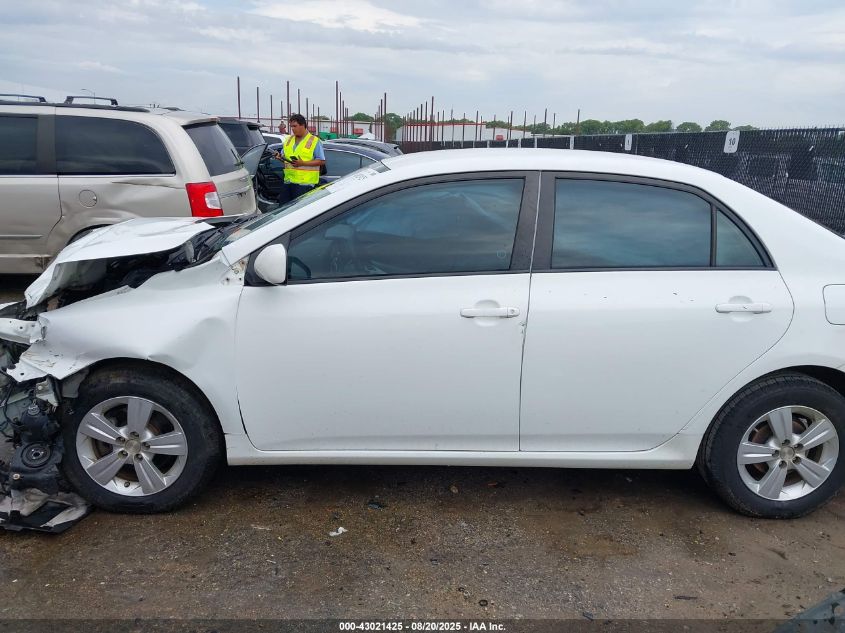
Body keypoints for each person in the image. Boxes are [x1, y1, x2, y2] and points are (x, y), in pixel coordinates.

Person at [274, 114, 325, 204]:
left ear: (303, 125)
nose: (293, 129)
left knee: (300, 214)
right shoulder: (288, 140)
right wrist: (279, 157)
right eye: (291, 126)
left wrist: (302, 163)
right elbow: (286, 159)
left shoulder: (314, 141)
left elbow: (321, 161)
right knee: (283, 211)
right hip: (288, 183)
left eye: (295, 126)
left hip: (305, 185)